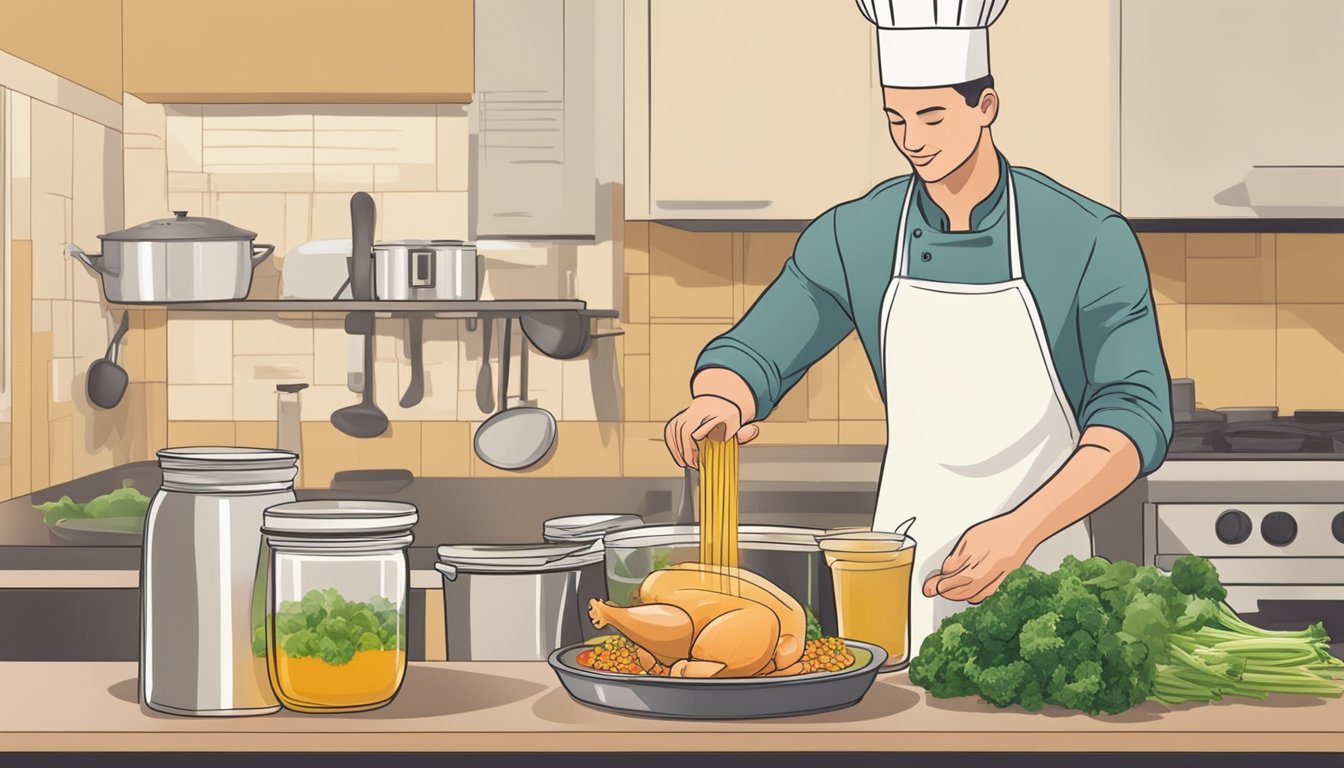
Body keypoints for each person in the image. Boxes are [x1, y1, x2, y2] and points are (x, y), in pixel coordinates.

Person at [662, 0, 1173, 649]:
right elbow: (761, 347)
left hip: (1045, 562)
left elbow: (1135, 416)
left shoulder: (1086, 237)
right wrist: (720, 400)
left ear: (986, 105)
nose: (913, 139)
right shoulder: (858, 234)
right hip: (901, 565)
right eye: (895, 117)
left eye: (932, 115)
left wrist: (1020, 527)